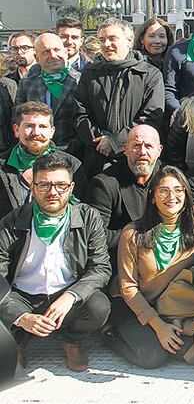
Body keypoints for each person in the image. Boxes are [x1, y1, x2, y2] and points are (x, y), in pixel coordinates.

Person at [0, 152, 111, 372]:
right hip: (21, 296)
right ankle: (19, 339)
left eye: (61, 185)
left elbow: (101, 266)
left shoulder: (88, 217)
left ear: (71, 188)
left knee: (99, 308)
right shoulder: (13, 221)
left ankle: (69, 339)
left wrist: (71, 296)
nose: (53, 192)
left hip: (64, 292)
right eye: (44, 185)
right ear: (33, 188)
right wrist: (20, 316)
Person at [106, 166, 194, 369]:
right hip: (133, 304)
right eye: (163, 190)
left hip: (173, 305)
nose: (171, 196)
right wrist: (158, 326)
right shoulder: (133, 233)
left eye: (178, 190)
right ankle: (111, 336)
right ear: (153, 196)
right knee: (151, 357)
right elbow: (128, 288)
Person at [75, 18, 164, 175]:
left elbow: (151, 117)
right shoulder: (90, 73)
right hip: (96, 157)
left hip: (135, 159)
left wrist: (116, 141)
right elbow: (80, 112)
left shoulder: (150, 74)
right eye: (102, 40)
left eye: (112, 39)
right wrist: (100, 139)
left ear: (129, 41)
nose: (106, 44)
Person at [84, 124, 164, 253]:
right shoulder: (104, 184)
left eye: (148, 146)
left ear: (159, 150)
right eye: (136, 146)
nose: (142, 152)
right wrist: (139, 237)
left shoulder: (169, 179)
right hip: (119, 257)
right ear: (125, 149)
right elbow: (95, 235)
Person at [0, 102, 83, 220]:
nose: (36, 133)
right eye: (29, 126)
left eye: (43, 127)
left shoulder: (73, 166)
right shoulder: (2, 166)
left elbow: (80, 212)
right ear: (16, 130)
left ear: (52, 131)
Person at [14, 32, 81, 154]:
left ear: (65, 52)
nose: (53, 55)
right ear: (37, 57)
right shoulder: (27, 84)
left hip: (74, 153)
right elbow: (18, 119)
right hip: (35, 152)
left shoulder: (81, 82)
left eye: (57, 50)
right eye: (46, 52)